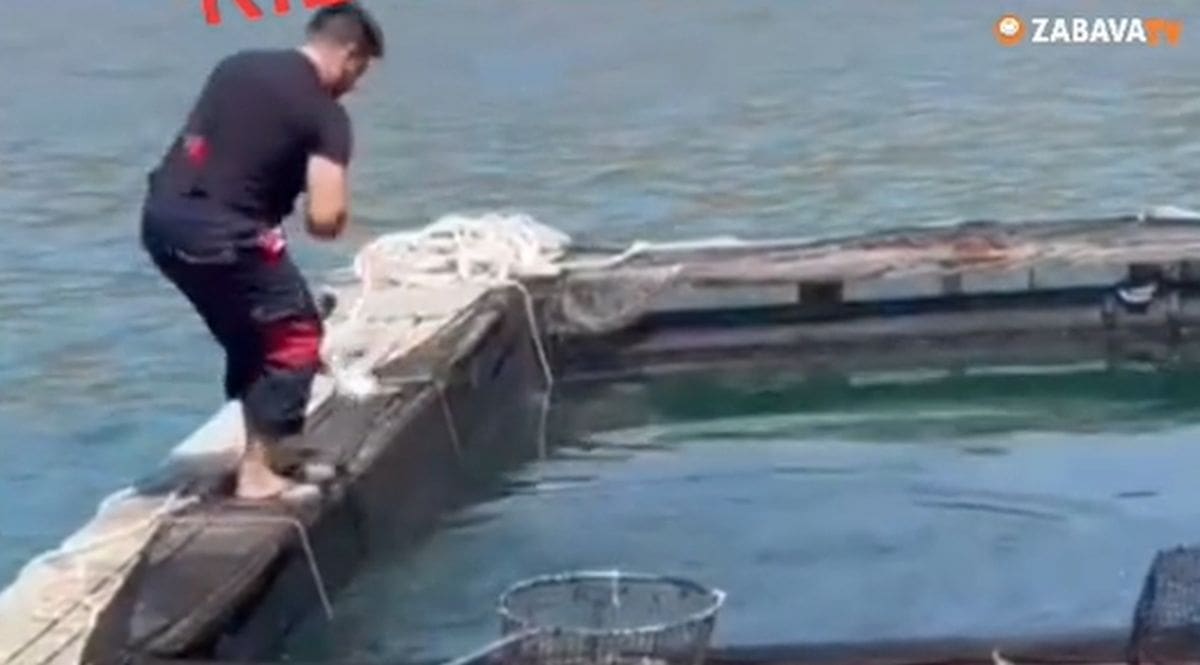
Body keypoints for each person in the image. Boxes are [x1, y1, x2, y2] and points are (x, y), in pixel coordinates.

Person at [140, 4, 384, 500]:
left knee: (251, 336)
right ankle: (257, 476)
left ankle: (266, 452)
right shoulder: (325, 115)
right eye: (359, 72)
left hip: (163, 223)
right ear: (350, 54)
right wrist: (334, 212)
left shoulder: (237, 66)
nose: (353, 86)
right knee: (295, 334)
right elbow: (324, 219)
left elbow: (225, 151)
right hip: (227, 235)